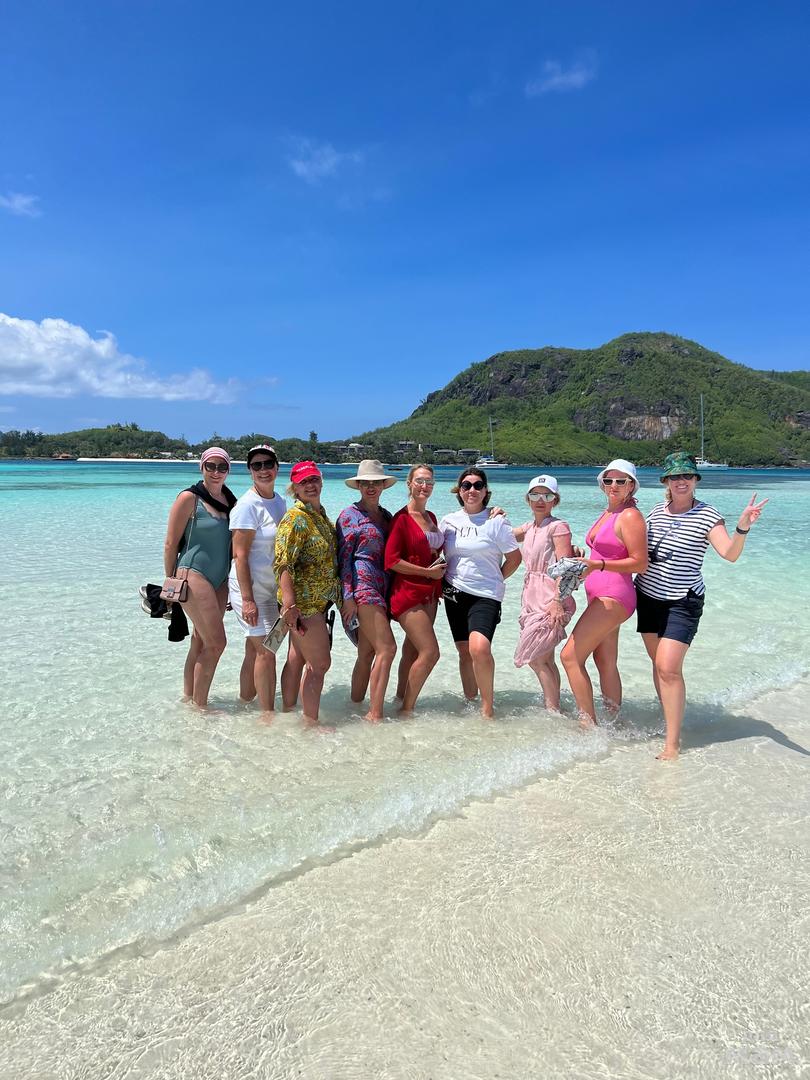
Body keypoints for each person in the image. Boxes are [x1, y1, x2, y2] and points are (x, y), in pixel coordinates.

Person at [634, 452, 767, 760]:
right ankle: (670, 717)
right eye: (675, 477)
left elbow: (730, 554)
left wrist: (742, 527)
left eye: (687, 476)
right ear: (666, 482)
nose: (681, 481)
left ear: (695, 480)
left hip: (683, 601)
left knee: (668, 668)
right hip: (648, 596)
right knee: (659, 666)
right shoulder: (655, 512)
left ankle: (672, 743)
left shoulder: (708, 515)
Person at [561, 458, 648, 726]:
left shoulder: (630, 516)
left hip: (614, 596)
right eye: (608, 480)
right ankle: (614, 722)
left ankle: (587, 725)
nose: (614, 485)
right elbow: (605, 551)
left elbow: (640, 563)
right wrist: (583, 557)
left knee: (570, 657)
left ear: (631, 485)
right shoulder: (611, 511)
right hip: (601, 596)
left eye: (621, 481)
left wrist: (597, 565)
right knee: (604, 660)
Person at [439, 468, 521, 718]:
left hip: (486, 595)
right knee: (464, 651)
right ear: (459, 491)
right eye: (466, 485)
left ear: (485, 491)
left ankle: (487, 709)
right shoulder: (448, 521)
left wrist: (496, 579)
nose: (472, 490)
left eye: (477, 485)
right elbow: (437, 553)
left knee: (480, 648)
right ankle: (470, 702)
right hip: (454, 592)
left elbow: (515, 558)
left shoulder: (496, 521)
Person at [163, 447, 237, 708]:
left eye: (222, 467)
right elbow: (170, 544)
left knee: (200, 640)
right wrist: (171, 585)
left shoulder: (231, 501)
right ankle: (201, 708)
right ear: (201, 467)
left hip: (220, 580)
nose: (216, 472)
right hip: (193, 574)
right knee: (217, 644)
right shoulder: (189, 498)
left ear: (228, 470)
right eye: (211, 466)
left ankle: (189, 698)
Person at [274, 461, 340, 729]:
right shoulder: (296, 518)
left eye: (314, 479)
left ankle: (288, 711)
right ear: (295, 489)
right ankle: (310, 723)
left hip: (318, 601)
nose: (310, 485)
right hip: (304, 604)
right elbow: (283, 563)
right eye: (304, 482)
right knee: (320, 664)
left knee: (296, 658)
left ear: (321, 482)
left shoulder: (319, 515)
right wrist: (289, 605)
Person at [228, 444, 286, 720]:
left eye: (268, 464)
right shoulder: (246, 505)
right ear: (250, 471)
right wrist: (247, 600)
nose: (263, 470)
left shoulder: (279, 501)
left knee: (255, 650)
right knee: (266, 651)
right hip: (249, 589)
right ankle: (267, 715)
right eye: (256, 465)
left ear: (277, 467)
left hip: (271, 590)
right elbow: (239, 556)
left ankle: (245, 701)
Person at [336, 460, 397, 723]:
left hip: (383, 590)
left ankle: (353, 706)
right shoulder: (349, 516)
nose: (371, 487)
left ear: (383, 485)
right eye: (365, 483)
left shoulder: (387, 517)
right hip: (362, 587)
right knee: (388, 648)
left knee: (367, 652)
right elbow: (343, 560)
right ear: (358, 486)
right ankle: (375, 714)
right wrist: (347, 597)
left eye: (376, 483)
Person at [384, 464, 446, 715]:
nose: (424, 486)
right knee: (430, 653)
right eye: (419, 481)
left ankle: (400, 698)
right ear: (409, 483)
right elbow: (391, 561)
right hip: (408, 593)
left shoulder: (431, 517)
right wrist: (427, 572)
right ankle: (406, 711)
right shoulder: (401, 519)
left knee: (412, 651)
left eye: (429, 482)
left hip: (430, 593)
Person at [513, 474, 576, 712]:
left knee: (537, 658)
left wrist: (557, 600)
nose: (541, 500)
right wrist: (493, 513)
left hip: (550, 597)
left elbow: (565, 567)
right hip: (531, 596)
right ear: (528, 499)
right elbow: (501, 535)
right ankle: (555, 706)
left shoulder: (558, 527)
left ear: (555, 500)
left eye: (547, 496)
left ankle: (552, 711)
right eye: (535, 495)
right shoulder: (530, 527)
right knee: (546, 658)